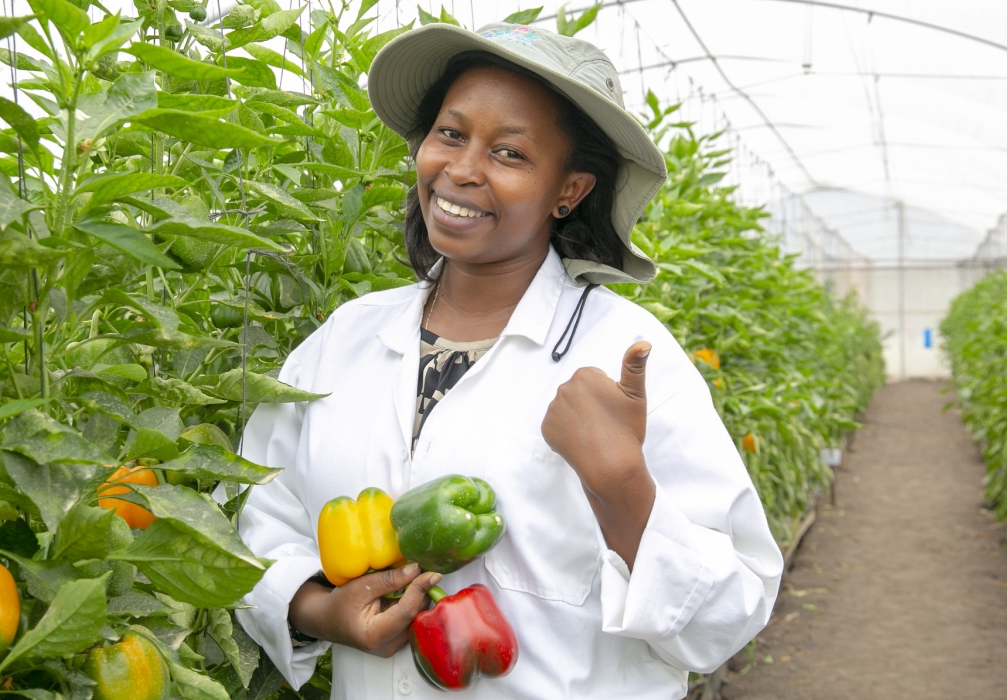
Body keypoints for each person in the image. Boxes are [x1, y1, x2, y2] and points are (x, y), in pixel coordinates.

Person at [234, 20, 783, 699]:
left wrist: (622, 490)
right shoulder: (346, 341)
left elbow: (731, 615)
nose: (461, 170)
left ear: (570, 190)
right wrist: (317, 609)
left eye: (511, 154)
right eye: (451, 134)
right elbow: (256, 510)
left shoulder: (624, 357)